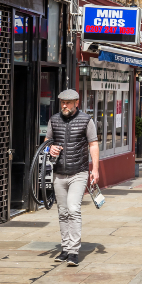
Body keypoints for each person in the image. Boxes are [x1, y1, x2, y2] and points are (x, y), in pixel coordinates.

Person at [45, 89, 99, 267]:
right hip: (59, 173)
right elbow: (46, 143)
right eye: (62, 102)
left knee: (73, 208)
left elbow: (93, 145)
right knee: (62, 211)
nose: (64, 106)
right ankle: (65, 248)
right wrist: (49, 149)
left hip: (79, 172)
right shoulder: (54, 120)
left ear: (76, 102)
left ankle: (74, 251)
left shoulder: (86, 120)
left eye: (67, 103)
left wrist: (95, 170)